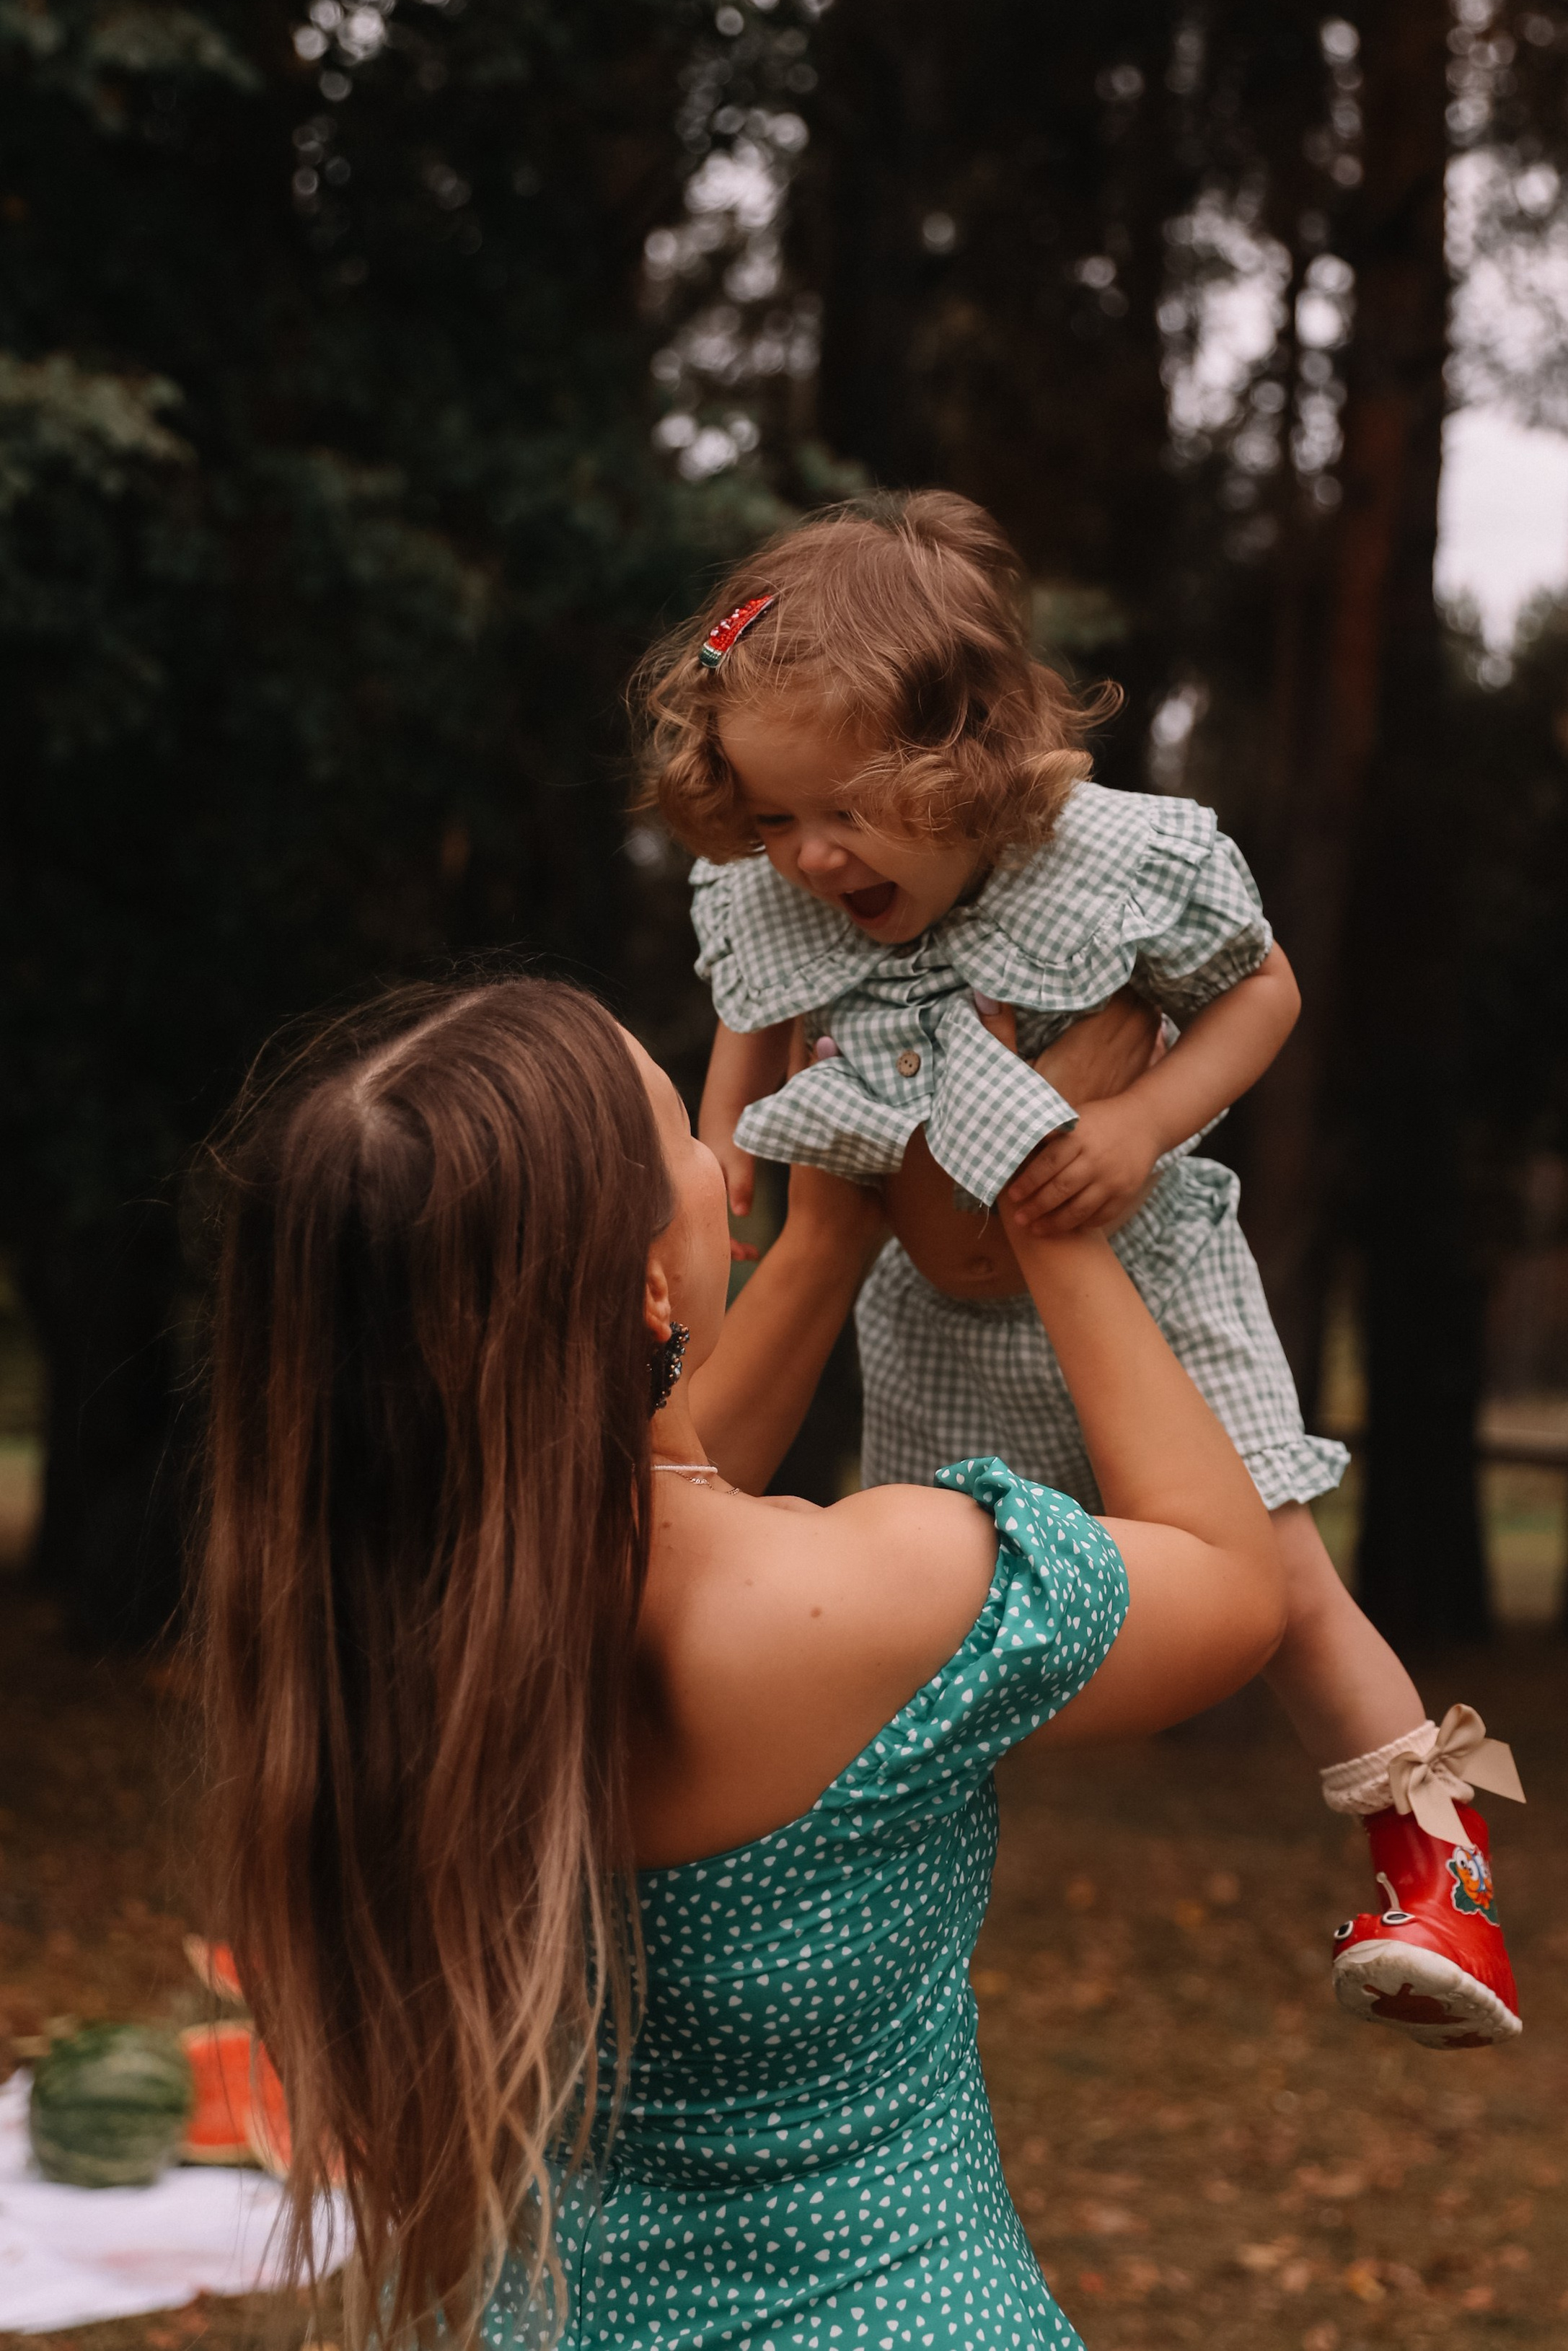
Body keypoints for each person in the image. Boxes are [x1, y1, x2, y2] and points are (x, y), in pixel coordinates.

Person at [201, 972, 1287, 2348]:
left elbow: (650, 1473)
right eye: (684, 1134)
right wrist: (1041, 1200)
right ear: (648, 1281)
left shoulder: (366, 1655)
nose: (724, 1165)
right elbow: (1232, 1584)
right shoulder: (864, 1598)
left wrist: (824, 1241)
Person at [637, 491, 1526, 2052]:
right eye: (770, 820)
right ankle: (865, 1902)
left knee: (1285, 1581)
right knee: (931, 1609)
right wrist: (722, 1179)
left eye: (838, 808)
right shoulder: (782, 900)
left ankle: (1438, 1876)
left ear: (962, 755)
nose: (806, 854)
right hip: (929, 1309)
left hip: (1144, 1280)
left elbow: (1262, 993)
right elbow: (753, 1026)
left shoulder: (1113, 864)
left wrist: (1137, 1122)